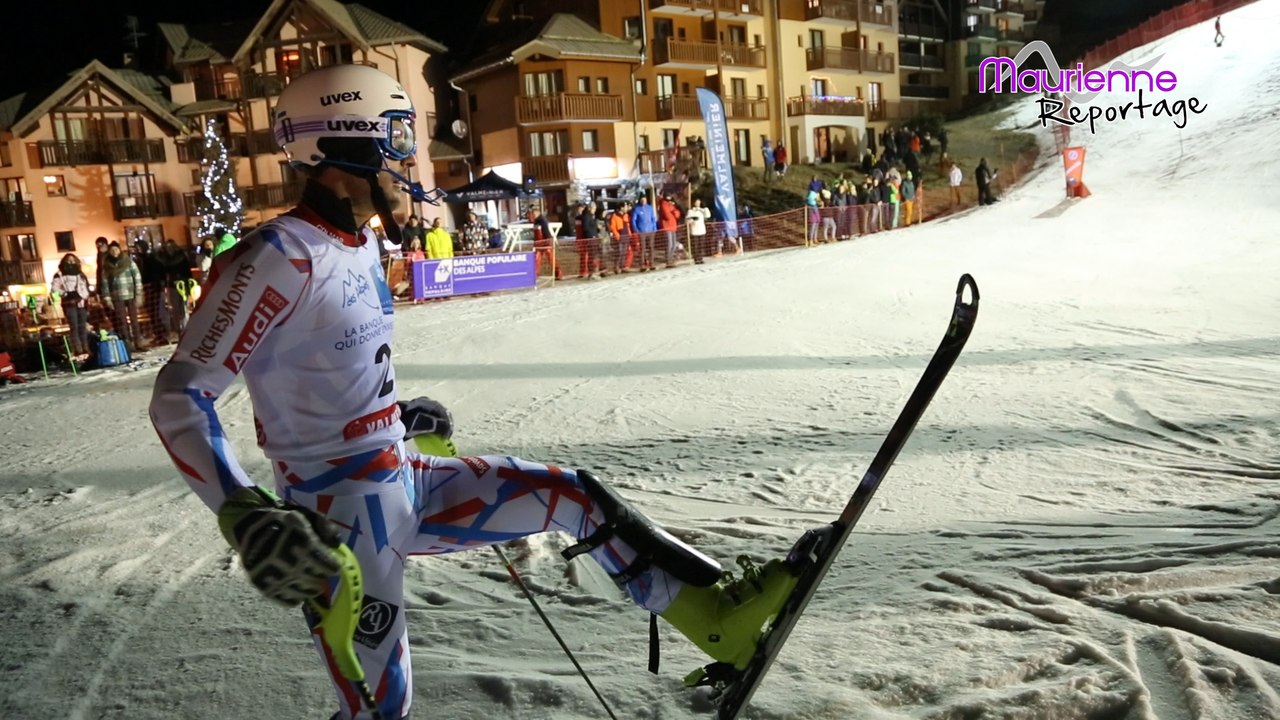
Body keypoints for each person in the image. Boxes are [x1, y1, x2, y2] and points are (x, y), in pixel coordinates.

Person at [150, 64, 799, 720]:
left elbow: (319, 371)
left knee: (574, 496)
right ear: (345, 142)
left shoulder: (358, 244)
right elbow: (180, 396)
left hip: (403, 477)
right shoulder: (276, 256)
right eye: (395, 137)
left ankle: (717, 619)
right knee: (381, 708)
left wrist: (394, 414)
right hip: (338, 522)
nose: (409, 158)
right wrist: (244, 511)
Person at [102, 241, 144, 352]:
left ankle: (138, 341)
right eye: (112, 250)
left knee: (134, 320)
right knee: (122, 321)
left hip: (130, 294)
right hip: (117, 296)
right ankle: (127, 343)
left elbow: (137, 277)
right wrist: (107, 298)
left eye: (116, 249)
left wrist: (138, 293)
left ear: (119, 250)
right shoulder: (107, 266)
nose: (114, 252)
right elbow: (105, 283)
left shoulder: (128, 262)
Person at [50, 253, 92, 358]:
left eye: (73, 260)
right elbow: (54, 288)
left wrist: (83, 296)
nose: (71, 262)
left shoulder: (80, 274)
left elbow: (85, 287)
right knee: (74, 326)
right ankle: (78, 349)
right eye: (69, 260)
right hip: (68, 303)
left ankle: (86, 348)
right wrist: (65, 294)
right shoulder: (59, 274)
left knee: (82, 326)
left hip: (81, 302)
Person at [630, 194, 658, 271]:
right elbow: (633, 220)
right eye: (642, 200)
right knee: (643, 248)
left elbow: (653, 218)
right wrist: (636, 229)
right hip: (641, 231)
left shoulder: (650, 208)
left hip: (650, 230)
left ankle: (652, 263)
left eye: (644, 200)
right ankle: (642, 264)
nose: (643, 201)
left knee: (651, 247)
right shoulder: (637, 209)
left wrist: (654, 227)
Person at [686, 197, 711, 263]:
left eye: (699, 202)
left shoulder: (702, 210)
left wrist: (705, 208)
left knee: (701, 245)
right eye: (696, 202)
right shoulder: (691, 211)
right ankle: (696, 258)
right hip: (694, 230)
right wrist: (692, 219)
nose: (698, 204)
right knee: (696, 246)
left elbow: (708, 215)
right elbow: (687, 220)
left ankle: (701, 258)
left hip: (701, 230)